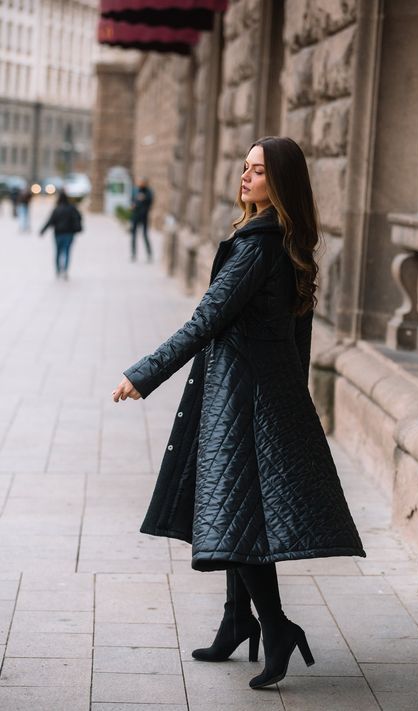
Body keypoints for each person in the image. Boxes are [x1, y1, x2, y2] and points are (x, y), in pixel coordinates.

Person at [112, 137, 365, 690]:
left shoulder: (257, 246)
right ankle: (235, 621)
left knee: (237, 516)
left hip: (242, 398)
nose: (245, 178)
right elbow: (301, 332)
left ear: (280, 183)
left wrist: (144, 373)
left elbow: (207, 320)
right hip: (261, 394)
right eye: (244, 168)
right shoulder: (289, 241)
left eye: (257, 171)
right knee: (235, 512)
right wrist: (291, 398)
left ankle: (275, 627)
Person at [39, 190, 82, 279]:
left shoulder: (57, 209)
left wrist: (43, 230)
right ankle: (65, 269)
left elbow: (50, 221)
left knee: (58, 252)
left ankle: (58, 270)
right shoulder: (72, 208)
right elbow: (79, 217)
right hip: (69, 234)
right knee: (67, 252)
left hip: (58, 234)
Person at [130, 177, 153, 262]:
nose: (141, 184)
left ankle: (149, 254)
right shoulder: (135, 190)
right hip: (135, 216)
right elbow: (132, 200)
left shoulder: (148, 192)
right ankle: (133, 254)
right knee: (133, 236)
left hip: (144, 216)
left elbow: (150, 202)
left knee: (145, 235)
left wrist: (144, 198)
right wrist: (133, 205)